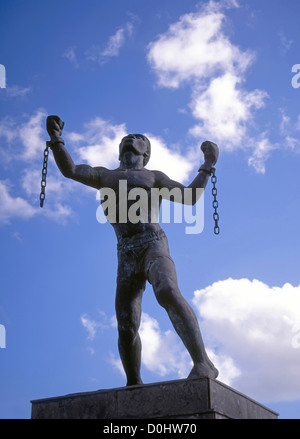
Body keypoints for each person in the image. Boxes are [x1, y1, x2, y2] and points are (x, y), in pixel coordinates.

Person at [46, 115, 219, 386]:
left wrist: (207, 166)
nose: (130, 138)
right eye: (127, 137)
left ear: (146, 152)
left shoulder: (153, 176)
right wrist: (56, 140)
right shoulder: (105, 175)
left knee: (167, 291)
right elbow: (71, 170)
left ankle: (203, 363)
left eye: (139, 138)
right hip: (125, 253)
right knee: (126, 325)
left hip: (153, 244)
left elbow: (190, 196)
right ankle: (134, 382)